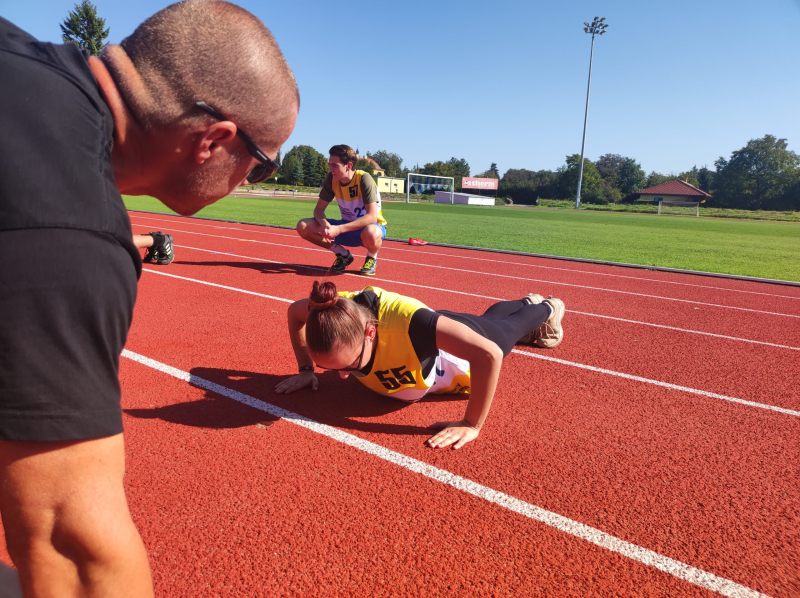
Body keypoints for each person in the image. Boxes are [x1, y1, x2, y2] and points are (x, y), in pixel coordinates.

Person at [0, 1, 298, 595]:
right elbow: (73, 547)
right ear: (214, 141)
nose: (250, 184)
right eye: (261, 168)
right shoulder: (72, 238)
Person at [275, 281, 565, 449]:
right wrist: (305, 369)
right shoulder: (327, 313)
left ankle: (547, 308)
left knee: (502, 335)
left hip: (445, 359)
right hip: (426, 341)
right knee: (488, 321)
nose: (340, 377)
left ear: (371, 332)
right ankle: (525, 301)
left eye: (349, 365)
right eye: (329, 368)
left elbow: (488, 355)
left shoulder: (412, 324)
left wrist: (471, 424)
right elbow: (293, 311)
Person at [295, 145, 387, 276]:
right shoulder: (331, 179)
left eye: (335, 165)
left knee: (371, 232)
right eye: (329, 164)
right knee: (303, 226)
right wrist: (325, 225)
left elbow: (372, 217)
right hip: (347, 227)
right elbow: (318, 210)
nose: (330, 169)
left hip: (370, 228)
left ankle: (371, 258)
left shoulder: (363, 179)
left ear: (348, 166)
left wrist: (337, 229)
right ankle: (343, 255)